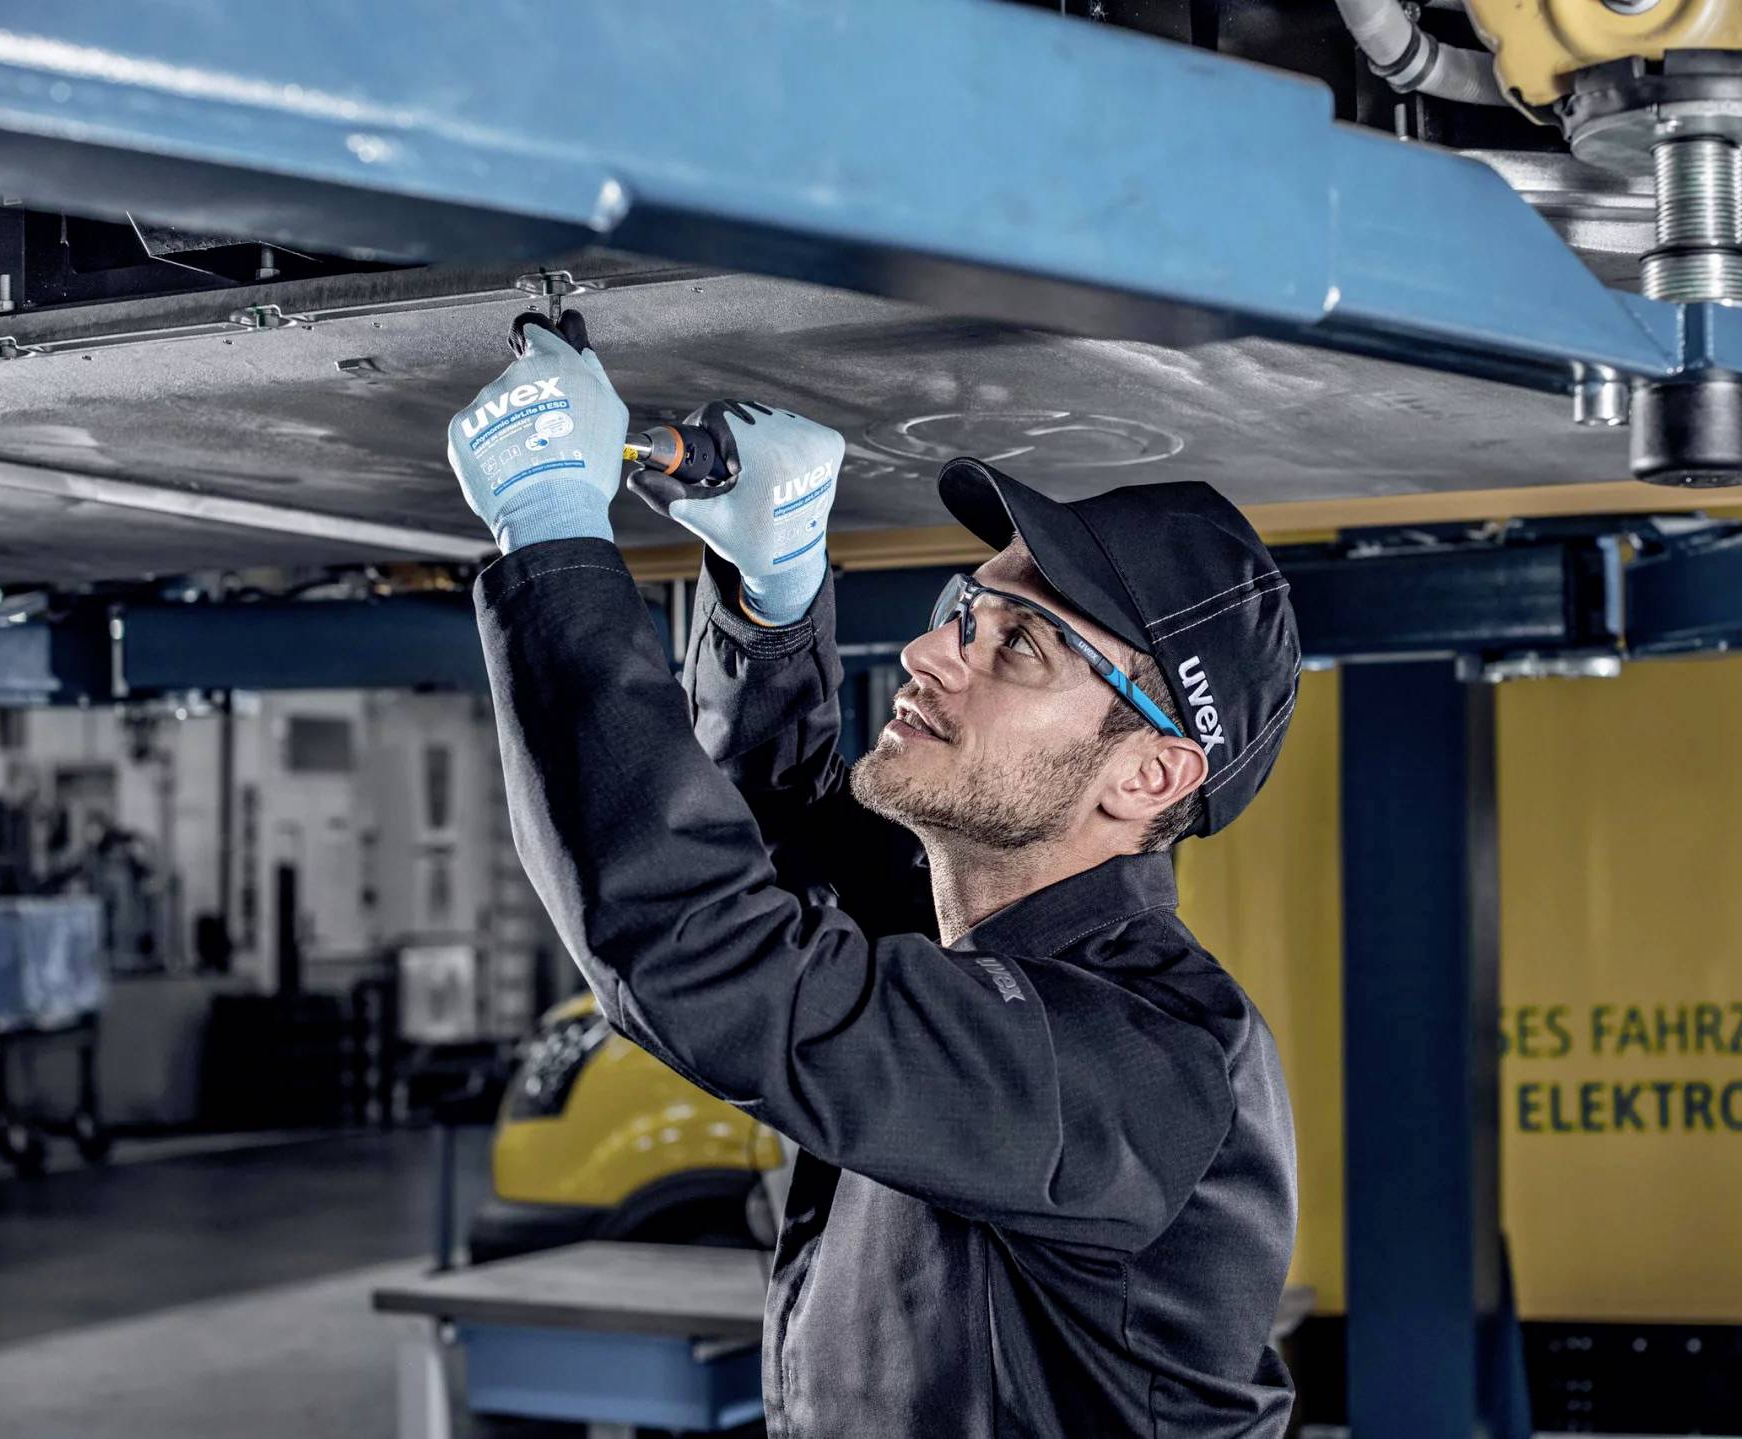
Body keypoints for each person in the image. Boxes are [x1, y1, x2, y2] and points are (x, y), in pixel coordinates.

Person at [448, 318, 1304, 1438]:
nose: (927, 650)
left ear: (1149, 771)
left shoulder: (1139, 1062)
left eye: (1019, 645)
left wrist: (553, 541)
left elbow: (716, 961)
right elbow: (784, 873)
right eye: (967, 611)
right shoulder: (983, 950)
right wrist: (772, 606)